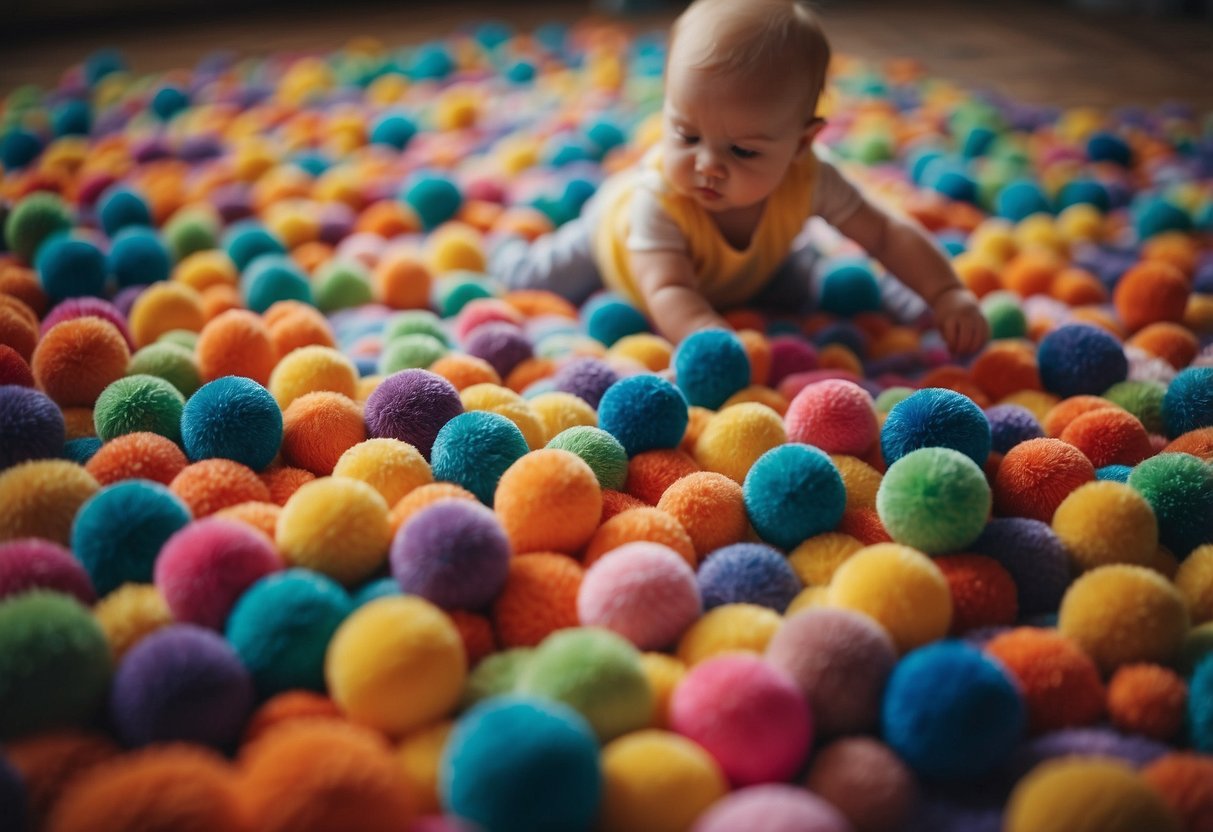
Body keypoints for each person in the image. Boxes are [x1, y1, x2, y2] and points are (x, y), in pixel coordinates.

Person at [491, 0, 990, 355]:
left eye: (743, 150)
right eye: (685, 135)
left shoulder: (812, 179)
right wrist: (712, 339)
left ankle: (899, 300)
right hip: (617, 242)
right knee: (537, 277)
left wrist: (945, 292)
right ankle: (506, 245)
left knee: (803, 283)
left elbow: (884, 232)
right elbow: (668, 292)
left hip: (753, 265)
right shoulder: (658, 201)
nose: (707, 163)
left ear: (800, 144)